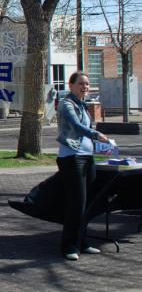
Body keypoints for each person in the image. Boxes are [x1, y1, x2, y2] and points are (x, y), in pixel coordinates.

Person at [56, 71, 111, 261]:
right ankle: (68, 245)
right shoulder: (66, 104)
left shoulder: (83, 105)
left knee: (87, 203)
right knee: (76, 204)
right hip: (72, 158)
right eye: (81, 84)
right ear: (71, 85)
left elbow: (86, 129)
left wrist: (100, 146)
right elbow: (77, 126)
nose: (85, 87)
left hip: (87, 157)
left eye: (87, 84)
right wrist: (96, 135)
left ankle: (82, 241)